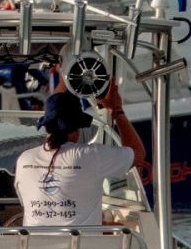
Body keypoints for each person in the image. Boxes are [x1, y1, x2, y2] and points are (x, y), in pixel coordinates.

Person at [13, 79, 148, 227]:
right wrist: (117, 110)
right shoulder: (90, 157)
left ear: (47, 126)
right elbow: (138, 153)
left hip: (34, 247)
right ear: (77, 127)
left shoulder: (24, 160)